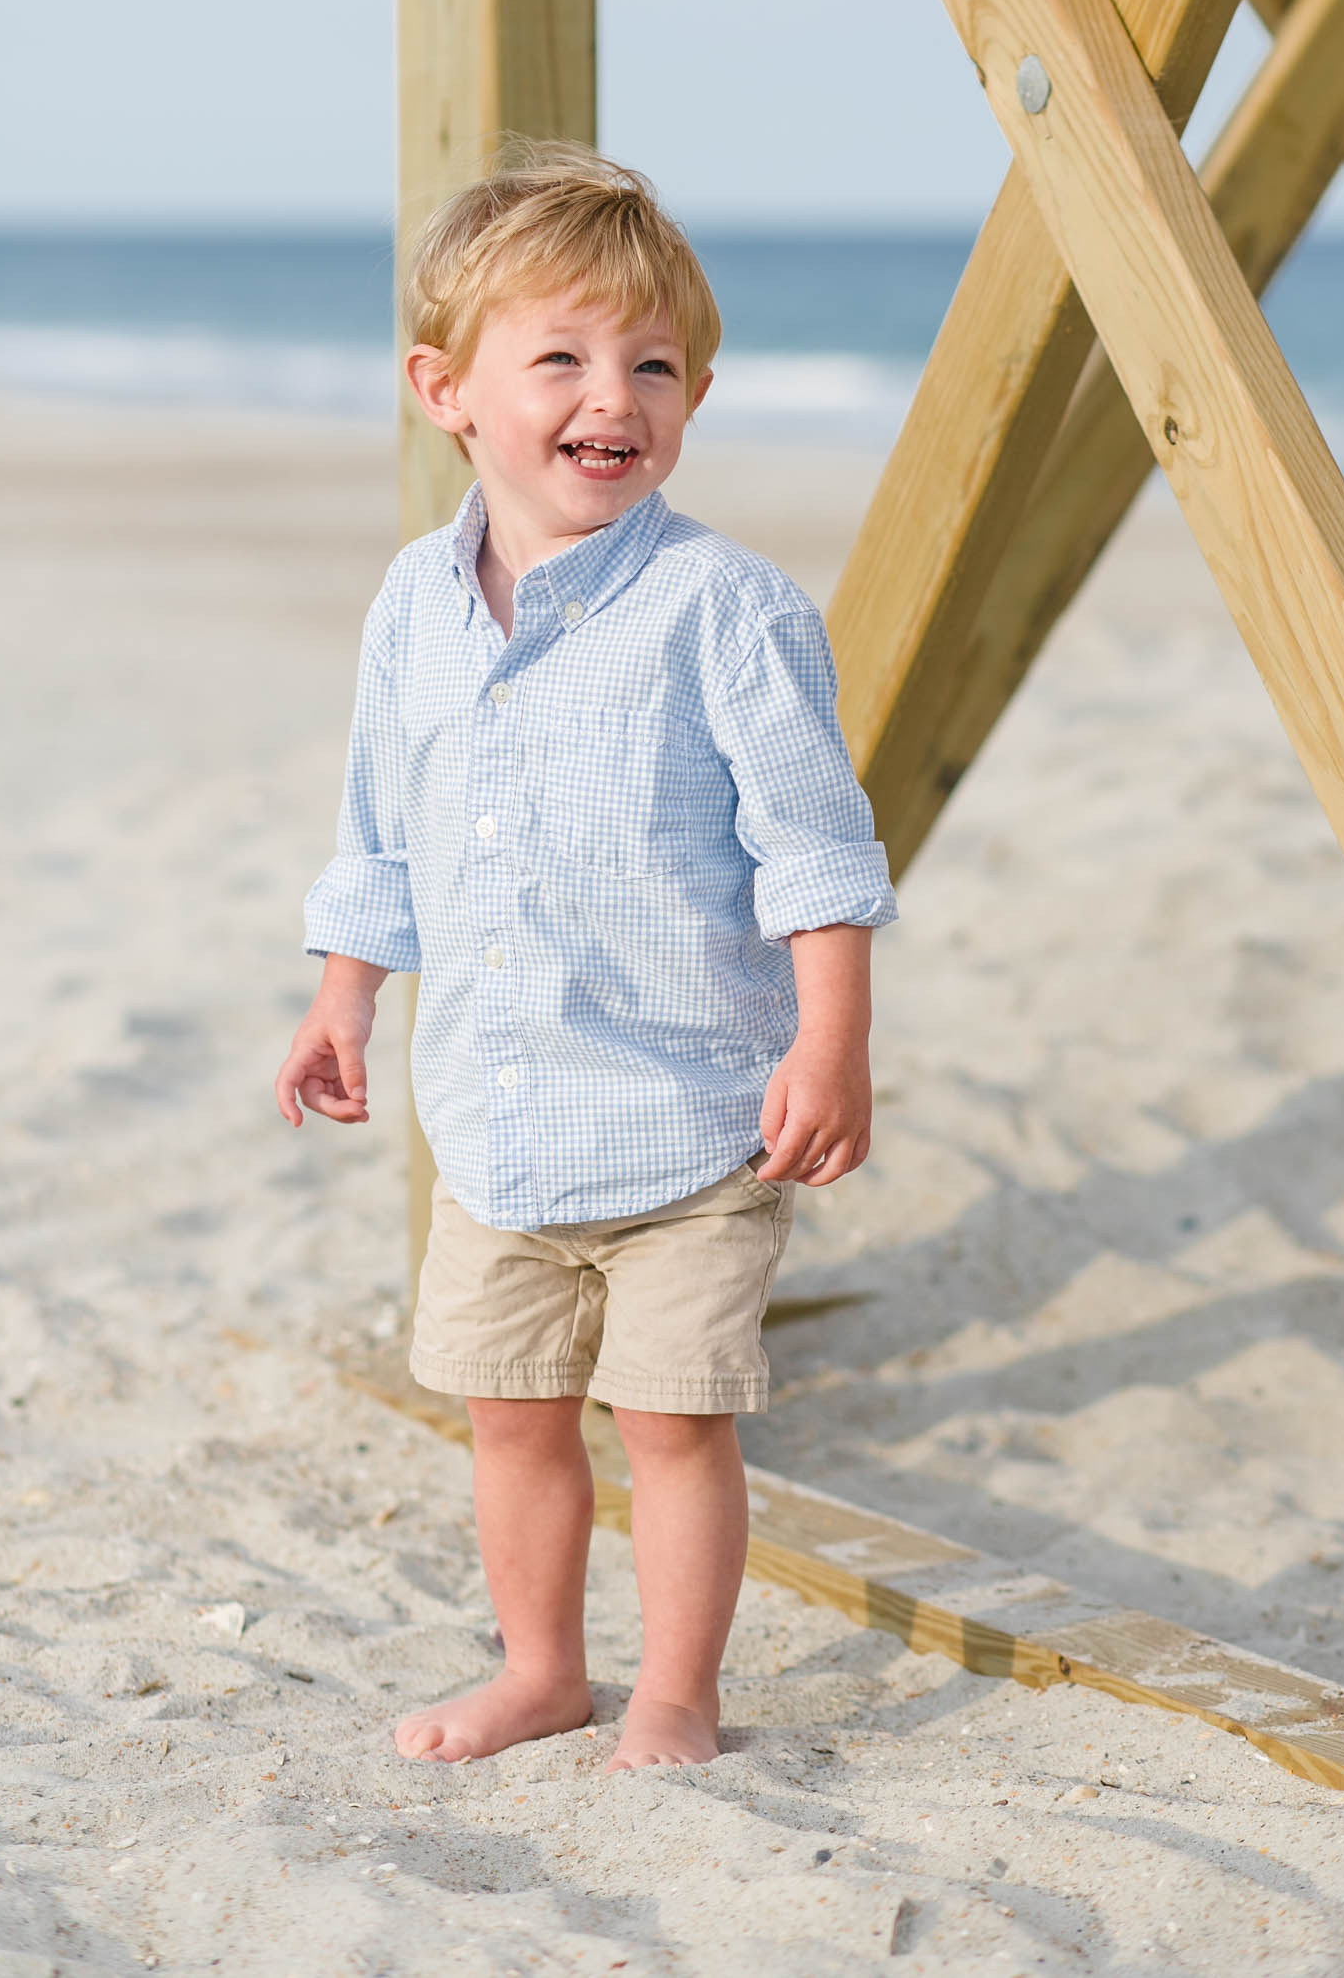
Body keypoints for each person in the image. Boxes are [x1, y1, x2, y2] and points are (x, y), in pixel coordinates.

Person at [274, 141, 896, 1772]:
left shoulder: (726, 610)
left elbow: (815, 850)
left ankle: (679, 1696)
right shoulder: (414, 605)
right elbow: (378, 826)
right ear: (447, 390)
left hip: (693, 1117)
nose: (610, 395)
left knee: (675, 1423)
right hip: (493, 1118)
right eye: (558, 357)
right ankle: (543, 1668)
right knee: (510, 1416)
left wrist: (829, 1044)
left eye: (653, 364)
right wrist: (345, 999)